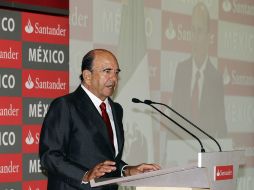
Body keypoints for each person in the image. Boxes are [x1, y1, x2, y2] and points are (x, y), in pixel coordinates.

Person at [39, 49, 160, 190]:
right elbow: (50, 156)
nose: (113, 78)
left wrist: (127, 170)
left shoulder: (115, 109)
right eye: (107, 71)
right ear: (87, 76)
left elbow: (107, 159)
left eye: (116, 73)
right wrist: (85, 175)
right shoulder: (66, 106)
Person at [171, 2, 227, 138]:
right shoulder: (181, 70)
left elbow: (221, 125)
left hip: (206, 151)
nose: (195, 37)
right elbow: (173, 118)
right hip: (181, 149)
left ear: (208, 36)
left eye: (200, 31)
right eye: (193, 30)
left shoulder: (216, 77)